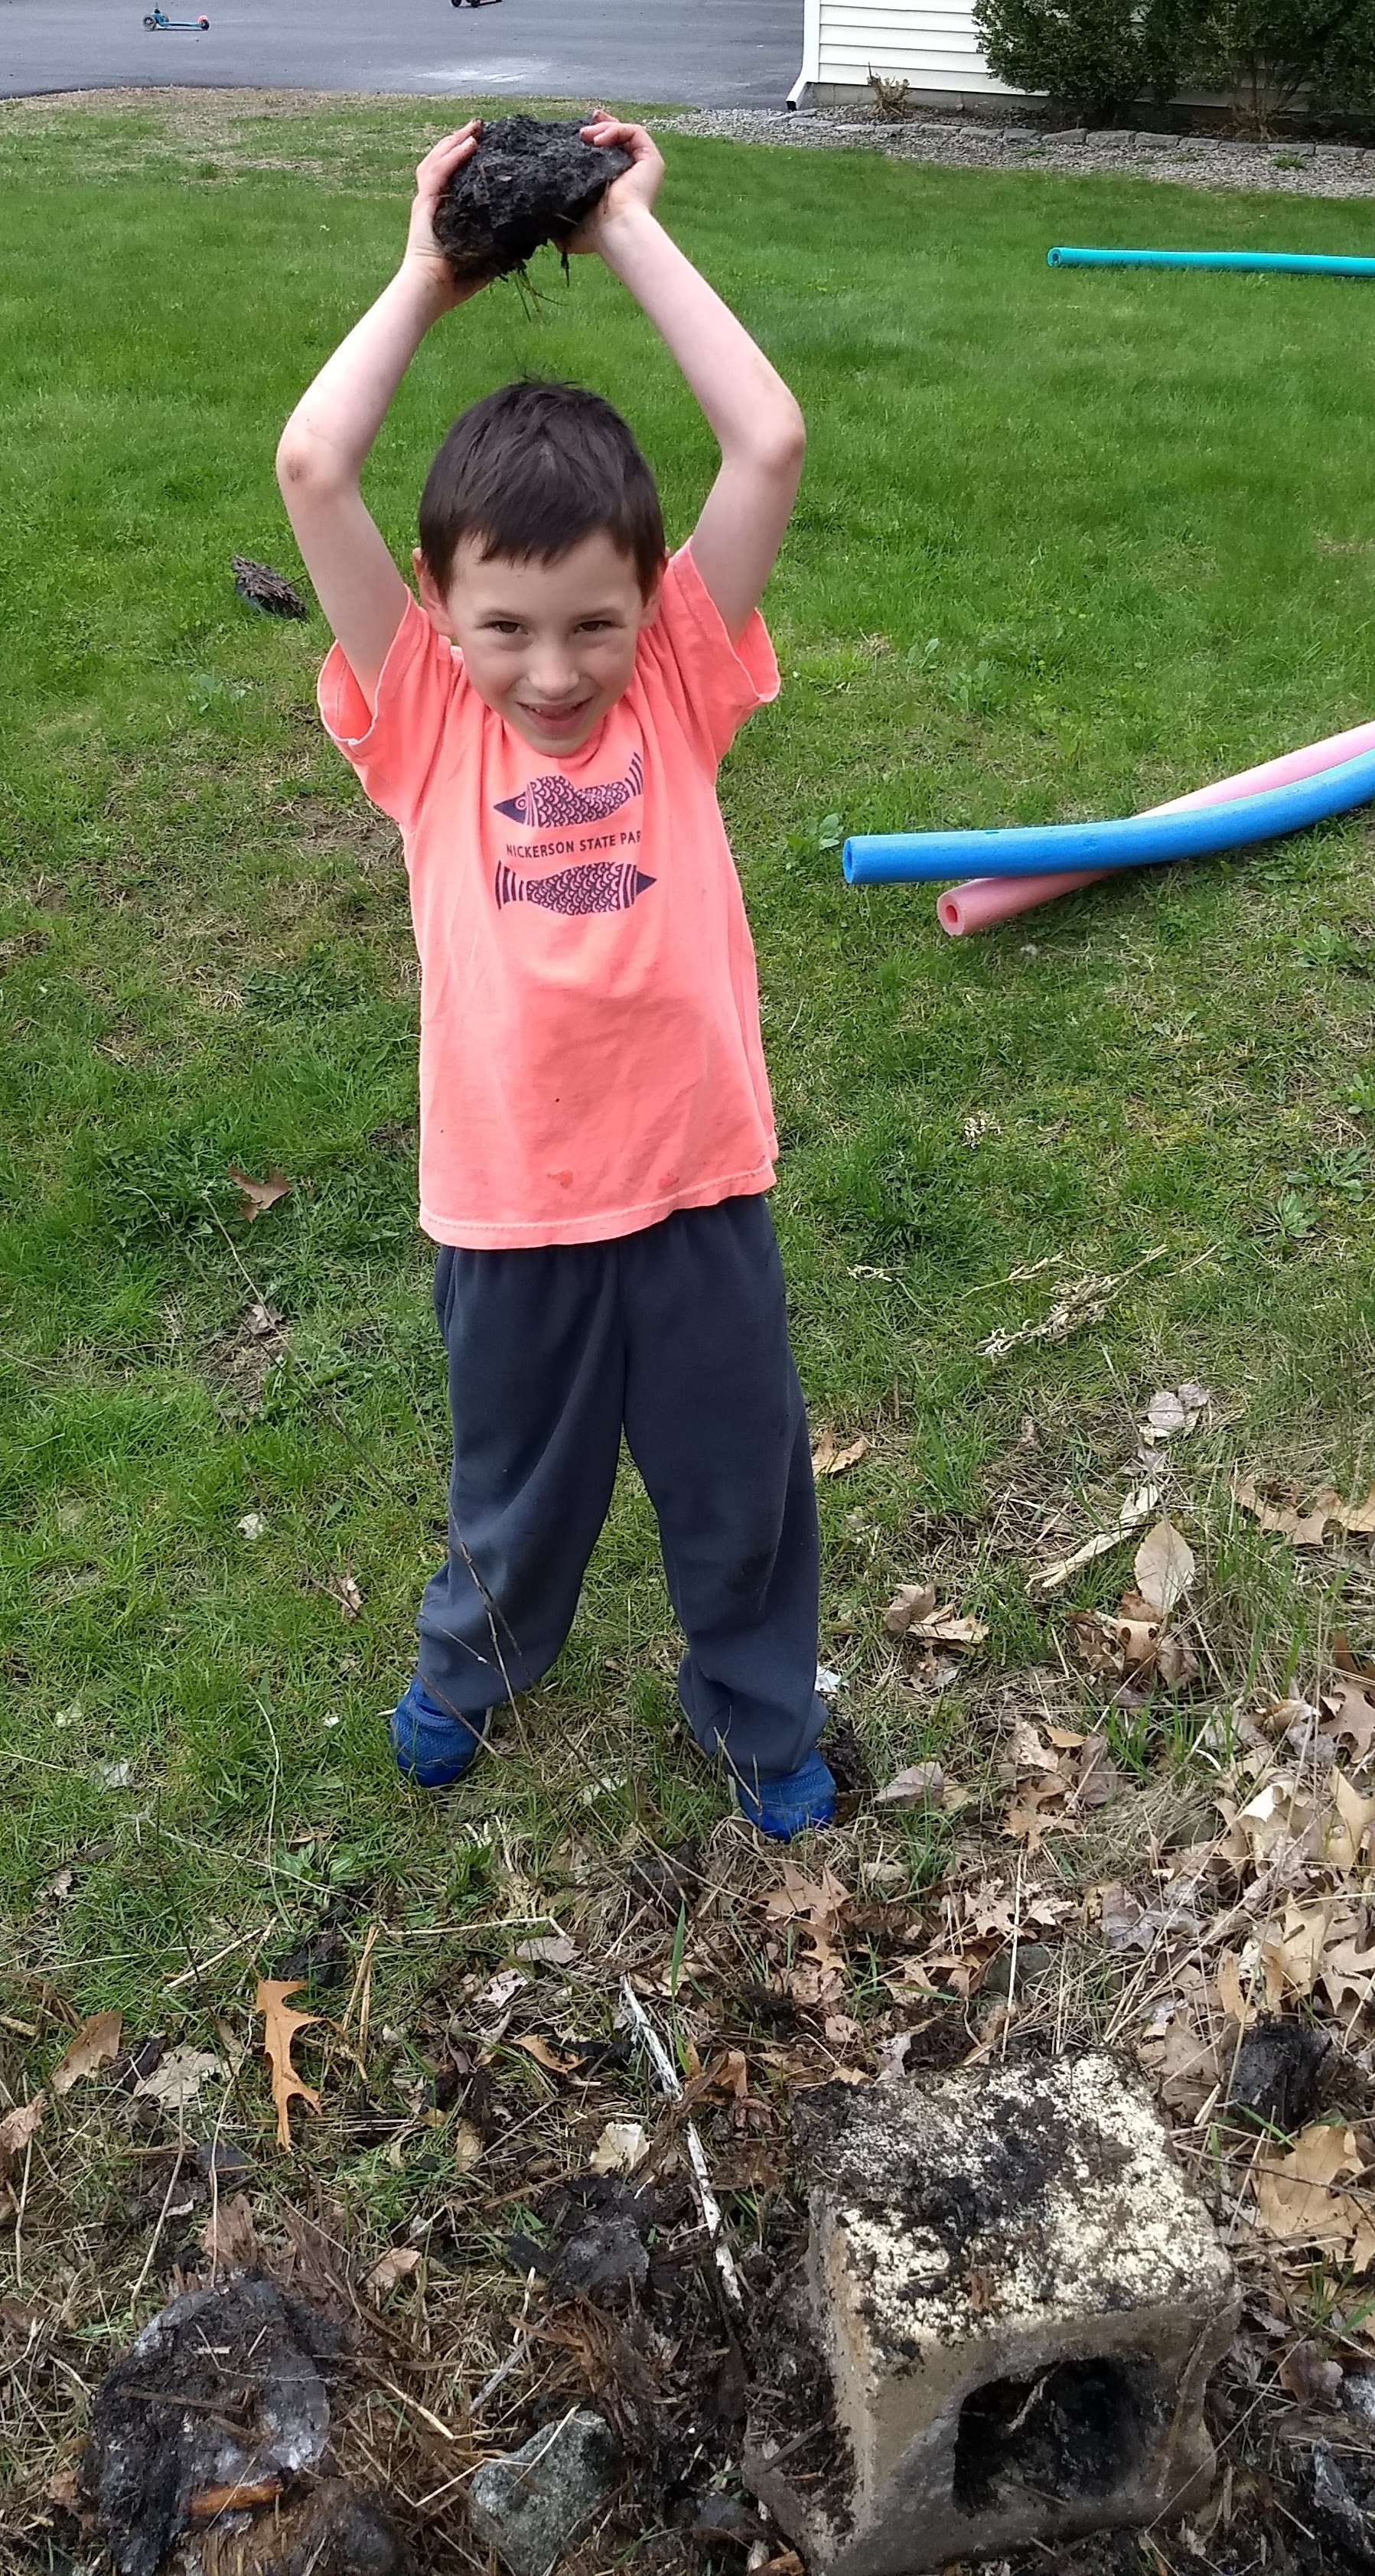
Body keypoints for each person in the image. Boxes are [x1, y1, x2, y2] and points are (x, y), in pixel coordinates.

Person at [275, 115, 832, 1836]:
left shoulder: (677, 683)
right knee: (519, 1496)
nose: (554, 668)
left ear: (653, 602)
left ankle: (759, 1717)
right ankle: (471, 1667)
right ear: (436, 610)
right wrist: (430, 271)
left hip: (695, 1182)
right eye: (506, 626)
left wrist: (624, 225)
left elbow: (767, 437)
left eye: (595, 621)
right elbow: (312, 466)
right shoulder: (424, 720)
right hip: (510, 1205)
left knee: (739, 1488)